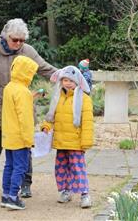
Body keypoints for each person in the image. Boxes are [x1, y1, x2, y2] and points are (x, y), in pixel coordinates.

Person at [0, 18, 58, 197]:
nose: (18, 43)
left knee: (25, 146)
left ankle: (26, 183)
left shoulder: (28, 51)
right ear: (5, 36)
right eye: (15, 39)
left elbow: (45, 69)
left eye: (22, 40)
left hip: (23, 109)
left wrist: (68, 75)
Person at [41, 65, 94, 209]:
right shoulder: (57, 97)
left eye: (71, 80)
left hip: (76, 142)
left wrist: (86, 141)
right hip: (61, 141)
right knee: (61, 168)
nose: (68, 83)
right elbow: (51, 115)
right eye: (64, 80)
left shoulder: (84, 99)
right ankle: (65, 191)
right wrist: (46, 126)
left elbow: (87, 122)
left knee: (78, 168)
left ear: (78, 81)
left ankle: (84, 194)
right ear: (61, 81)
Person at [0, 55, 38, 210]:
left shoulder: (9, 87)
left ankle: (5, 194)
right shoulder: (23, 92)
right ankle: (13, 197)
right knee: (20, 167)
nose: (32, 76)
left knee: (9, 166)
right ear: (26, 72)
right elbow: (25, 119)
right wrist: (29, 139)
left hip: (8, 136)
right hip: (20, 138)